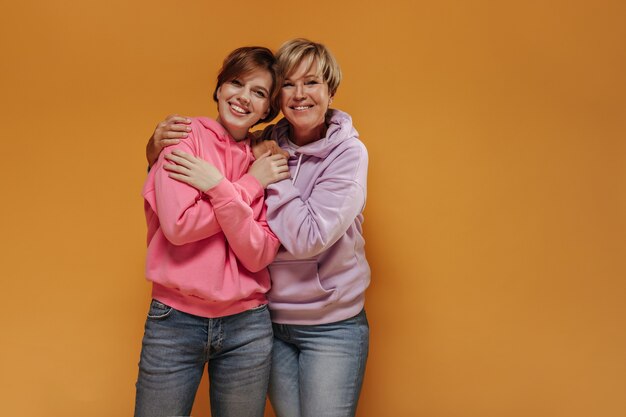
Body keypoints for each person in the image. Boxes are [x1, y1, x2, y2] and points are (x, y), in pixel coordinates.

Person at [147, 38, 370, 417]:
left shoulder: (325, 153)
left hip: (314, 322)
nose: (300, 94)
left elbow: (286, 245)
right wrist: (153, 149)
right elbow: (181, 220)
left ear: (330, 91)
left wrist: (252, 179)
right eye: (289, 84)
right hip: (259, 318)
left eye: (312, 83)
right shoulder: (247, 142)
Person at [135, 46, 290, 417]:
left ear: (268, 109)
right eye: (236, 83)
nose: (242, 97)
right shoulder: (183, 137)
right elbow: (179, 226)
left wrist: (216, 187)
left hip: (248, 326)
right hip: (174, 320)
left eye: (259, 92)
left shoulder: (267, 159)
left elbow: (258, 254)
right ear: (219, 88)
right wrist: (248, 187)